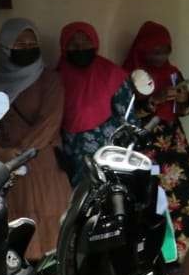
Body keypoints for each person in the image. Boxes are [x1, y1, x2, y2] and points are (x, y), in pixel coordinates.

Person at [0, 19, 71, 261]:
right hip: (6, 166)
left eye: (32, 43)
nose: (27, 47)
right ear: (5, 46)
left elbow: (50, 122)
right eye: (20, 44)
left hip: (42, 162)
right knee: (19, 223)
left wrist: (19, 152)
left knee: (51, 220)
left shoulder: (49, 79)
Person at [122, 22, 189, 255]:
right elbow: (127, 114)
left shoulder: (173, 72)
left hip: (174, 140)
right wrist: (155, 100)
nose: (161, 56)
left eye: (165, 50)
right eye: (155, 50)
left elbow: (184, 109)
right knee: (156, 201)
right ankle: (163, 255)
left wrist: (181, 98)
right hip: (146, 143)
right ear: (142, 50)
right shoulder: (130, 76)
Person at [57, 22, 133, 188]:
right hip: (71, 157)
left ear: (95, 43)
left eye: (86, 42)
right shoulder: (55, 78)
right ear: (64, 47)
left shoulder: (111, 73)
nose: (80, 48)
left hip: (108, 154)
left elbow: (128, 117)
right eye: (74, 44)